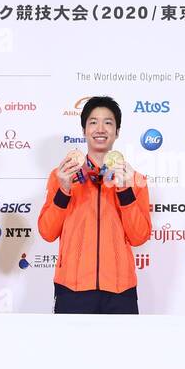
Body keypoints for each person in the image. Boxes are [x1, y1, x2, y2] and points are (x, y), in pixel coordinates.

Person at [38, 96, 151, 313]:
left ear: (117, 132)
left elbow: (139, 237)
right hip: (72, 289)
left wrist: (125, 190)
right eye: (93, 122)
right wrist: (64, 190)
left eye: (108, 122)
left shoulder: (134, 179)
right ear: (83, 130)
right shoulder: (61, 175)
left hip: (120, 290)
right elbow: (47, 232)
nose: (100, 128)